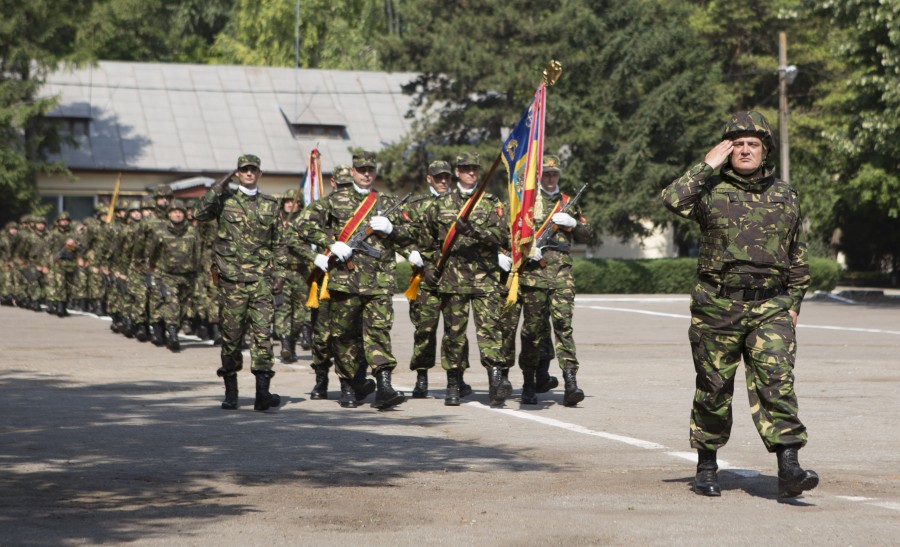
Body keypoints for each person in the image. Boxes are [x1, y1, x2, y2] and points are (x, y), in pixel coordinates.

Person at [661, 111, 818, 499]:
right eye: (737, 145)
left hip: (771, 307)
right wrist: (707, 163)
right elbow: (672, 199)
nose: (745, 150)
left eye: (753, 144)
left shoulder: (786, 196)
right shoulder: (709, 191)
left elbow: (798, 256)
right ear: (727, 150)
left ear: (765, 152)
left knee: (777, 383)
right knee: (713, 387)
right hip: (718, 306)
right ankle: (707, 465)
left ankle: (789, 466)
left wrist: (794, 303)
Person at [296, 152, 413, 409]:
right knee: (344, 335)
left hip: (380, 281)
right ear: (352, 172)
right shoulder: (335, 201)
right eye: (361, 169)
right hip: (344, 281)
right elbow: (301, 225)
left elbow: (412, 235)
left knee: (379, 333)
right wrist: (331, 244)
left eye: (370, 169)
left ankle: (384, 385)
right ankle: (348, 386)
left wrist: (394, 230)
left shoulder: (387, 201)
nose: (366, 174)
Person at [416, 151, 511, 406]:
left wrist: (475, 231)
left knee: (490, 331)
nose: (471, 172)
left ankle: (495, 381)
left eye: (474, 169)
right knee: (454, 335)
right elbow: (425, 240)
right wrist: (427, 267)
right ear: (457, 172)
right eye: (465, 168)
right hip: (452, 280)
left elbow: (503, 238)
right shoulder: (441, 204)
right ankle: (453, 384)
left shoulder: (491, 202)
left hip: (485, 279)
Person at [193, 154, 284, 411]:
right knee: (232, 340)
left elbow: (280, 243)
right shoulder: (224, 201)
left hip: (261, 281)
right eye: (244, 170)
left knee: (263, 337)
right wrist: (219, 185)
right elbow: (199, 213)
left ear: (259, 173)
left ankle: (262, 394)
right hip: (232, 281)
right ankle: (231, 392)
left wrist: (280, 275)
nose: (249, 173)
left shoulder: (270, 204)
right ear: (237, 173)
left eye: (253, 170)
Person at [512, 155, 592, 406]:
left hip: (562, 275)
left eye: (554, 173)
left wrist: (573, 224)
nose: (550, 178)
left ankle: (571, 382)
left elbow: (589, 235)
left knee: (563, 327)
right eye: (546, 174)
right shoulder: (528, 203)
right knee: (533, 330)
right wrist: (527, 250)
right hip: (534, 275)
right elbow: (513, 233)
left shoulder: (568, 203)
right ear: (539, 176)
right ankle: (528, 382)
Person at [404, 160, 470, 399]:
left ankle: (458, 377)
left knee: (456, 330)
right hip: (425, 277)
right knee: (425, 329)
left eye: (446, 177)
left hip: (455, 276)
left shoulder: (460, 203)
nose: (443, 181)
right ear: (428, 179)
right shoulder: (415, 205)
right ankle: (422, 377)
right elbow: (405, 236)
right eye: (438, 177)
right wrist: (410, 254)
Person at [147, 199, 201, 352]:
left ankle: (172, 330)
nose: (177, 214)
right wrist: (152, 269)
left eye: (180, 212)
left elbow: (198, 253)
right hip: (166, 275)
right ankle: (172, 336)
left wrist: (198, 271)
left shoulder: (192, 232)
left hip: (187, 276)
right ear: (168, 214)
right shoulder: (160, 232)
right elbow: (152, 252)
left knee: (183, 307)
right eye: (174, 212)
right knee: (172, 302)